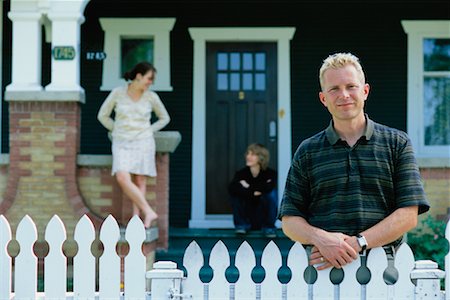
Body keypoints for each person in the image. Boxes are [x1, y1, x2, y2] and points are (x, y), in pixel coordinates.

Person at [278, 52, 429, 282]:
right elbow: (289, 220)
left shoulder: (397, 143)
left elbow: (408, 215)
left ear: (365, 91)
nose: (344, 95)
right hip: (322, 272)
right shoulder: (307, 151)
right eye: (334, 89)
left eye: (351, 86)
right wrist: (321, 238)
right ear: (323, 98)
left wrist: (357, 242)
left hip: (385, 272)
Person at [97, 61, 170, 228]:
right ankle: (149, 211)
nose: (150, 82)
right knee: (123, 177)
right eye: (149, 78)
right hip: (122, 141)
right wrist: (116, 128)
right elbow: (103, 115)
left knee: (140, 180)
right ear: (138, 76)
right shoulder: (118, 93)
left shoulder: (151, 97)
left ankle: (138, 220)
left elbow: (164, 118)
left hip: (143, 141)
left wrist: (149, 130)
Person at [228, 143, 278, 238]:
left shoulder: (270, 173)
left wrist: (247, 187)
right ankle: (241, 226)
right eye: (248, 153)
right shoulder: (241, 174)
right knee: (236, 195)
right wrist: (255, 192)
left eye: (253, 154)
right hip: (247, 217)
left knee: (272, 194)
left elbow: (269, 188)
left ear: (261, 157)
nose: (248, 156)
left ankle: (269, 227)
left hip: (262, 217)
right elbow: (232, 188)